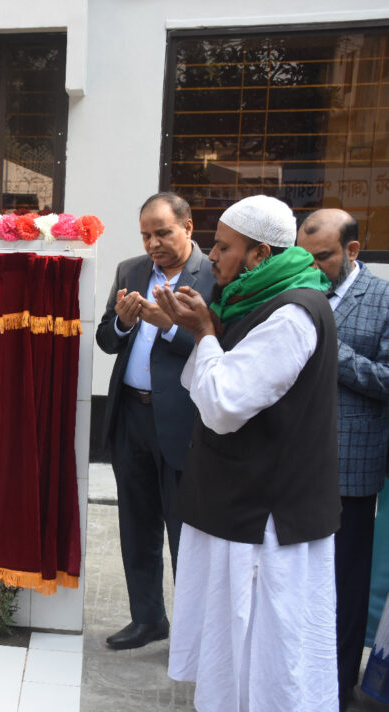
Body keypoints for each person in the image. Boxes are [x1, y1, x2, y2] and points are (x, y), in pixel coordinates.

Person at [155, 194, 340, 712]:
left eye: (224, 246)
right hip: (236, 505)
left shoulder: (292, 314)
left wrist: (203, 332)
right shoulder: (253, 301)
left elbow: (224, 404)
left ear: (260, 254)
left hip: (266, 520)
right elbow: (211, 384)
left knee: (265, 653)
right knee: (232, 649)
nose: (212, 256)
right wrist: (202, 330)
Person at [94, 192, 215, 650]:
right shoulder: (131, 271)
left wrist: (168, 325)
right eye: (146, 235)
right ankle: (147, 619)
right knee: (136, 524)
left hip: (184, 422)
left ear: (188, 227)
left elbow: (217, 345)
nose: (153, 244)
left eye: (162, 233)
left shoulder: (214, 275)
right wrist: (122, 324)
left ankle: (192, 635)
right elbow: (107, 339)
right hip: (130, 415)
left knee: (186, 533)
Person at [297, 208, 389, 710]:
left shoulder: (383, 298)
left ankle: (334, 687)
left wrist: (332, 349)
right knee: (298, 580)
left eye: (323, 257)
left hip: (351, 467)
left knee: (344, 582)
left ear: (352, 251)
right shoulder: (295, 292)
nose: (311, 267)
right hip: (294, 462)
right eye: (304, 256)